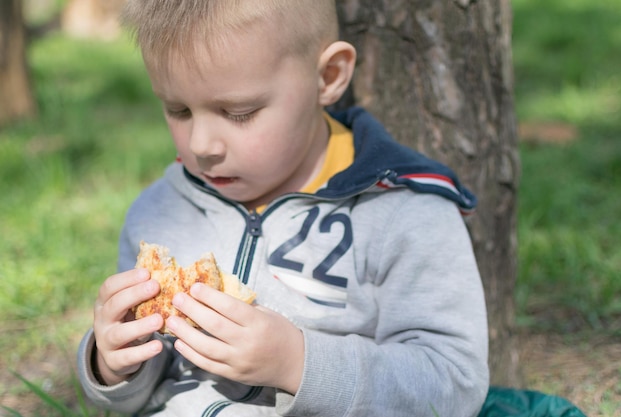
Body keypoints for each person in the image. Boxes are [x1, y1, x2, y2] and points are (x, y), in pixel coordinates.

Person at [76, 1, 489, 416]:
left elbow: (453, 384)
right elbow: (149, 385)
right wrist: (112, 364)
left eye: (239, 112)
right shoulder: (160, 212)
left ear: (328, 77)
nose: (201, 145)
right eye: (178, 110)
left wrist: (297, 363)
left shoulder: (404, 213)